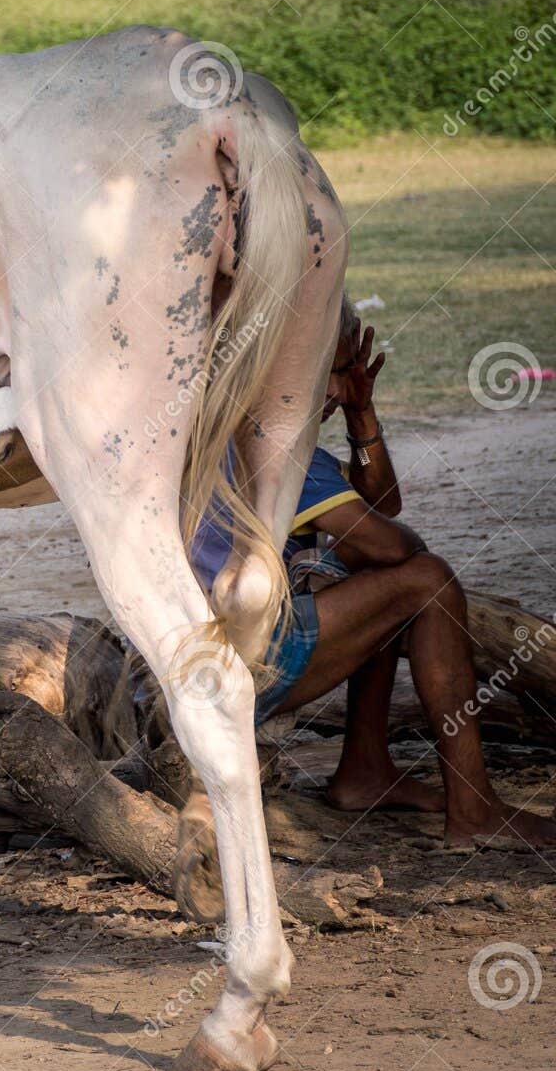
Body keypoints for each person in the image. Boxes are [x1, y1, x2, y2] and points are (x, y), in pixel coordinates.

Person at [192, 302, 556, 846]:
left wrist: (364, 416)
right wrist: (384, 546)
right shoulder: (272, 444)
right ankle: (474, 809)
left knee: (373, 569)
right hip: (234, 668)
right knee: (425, 580)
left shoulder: (245, 422)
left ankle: (365, 771)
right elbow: (394, 540)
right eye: (335, 374)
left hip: (208, 659)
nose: (341, 392)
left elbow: (384, 500)